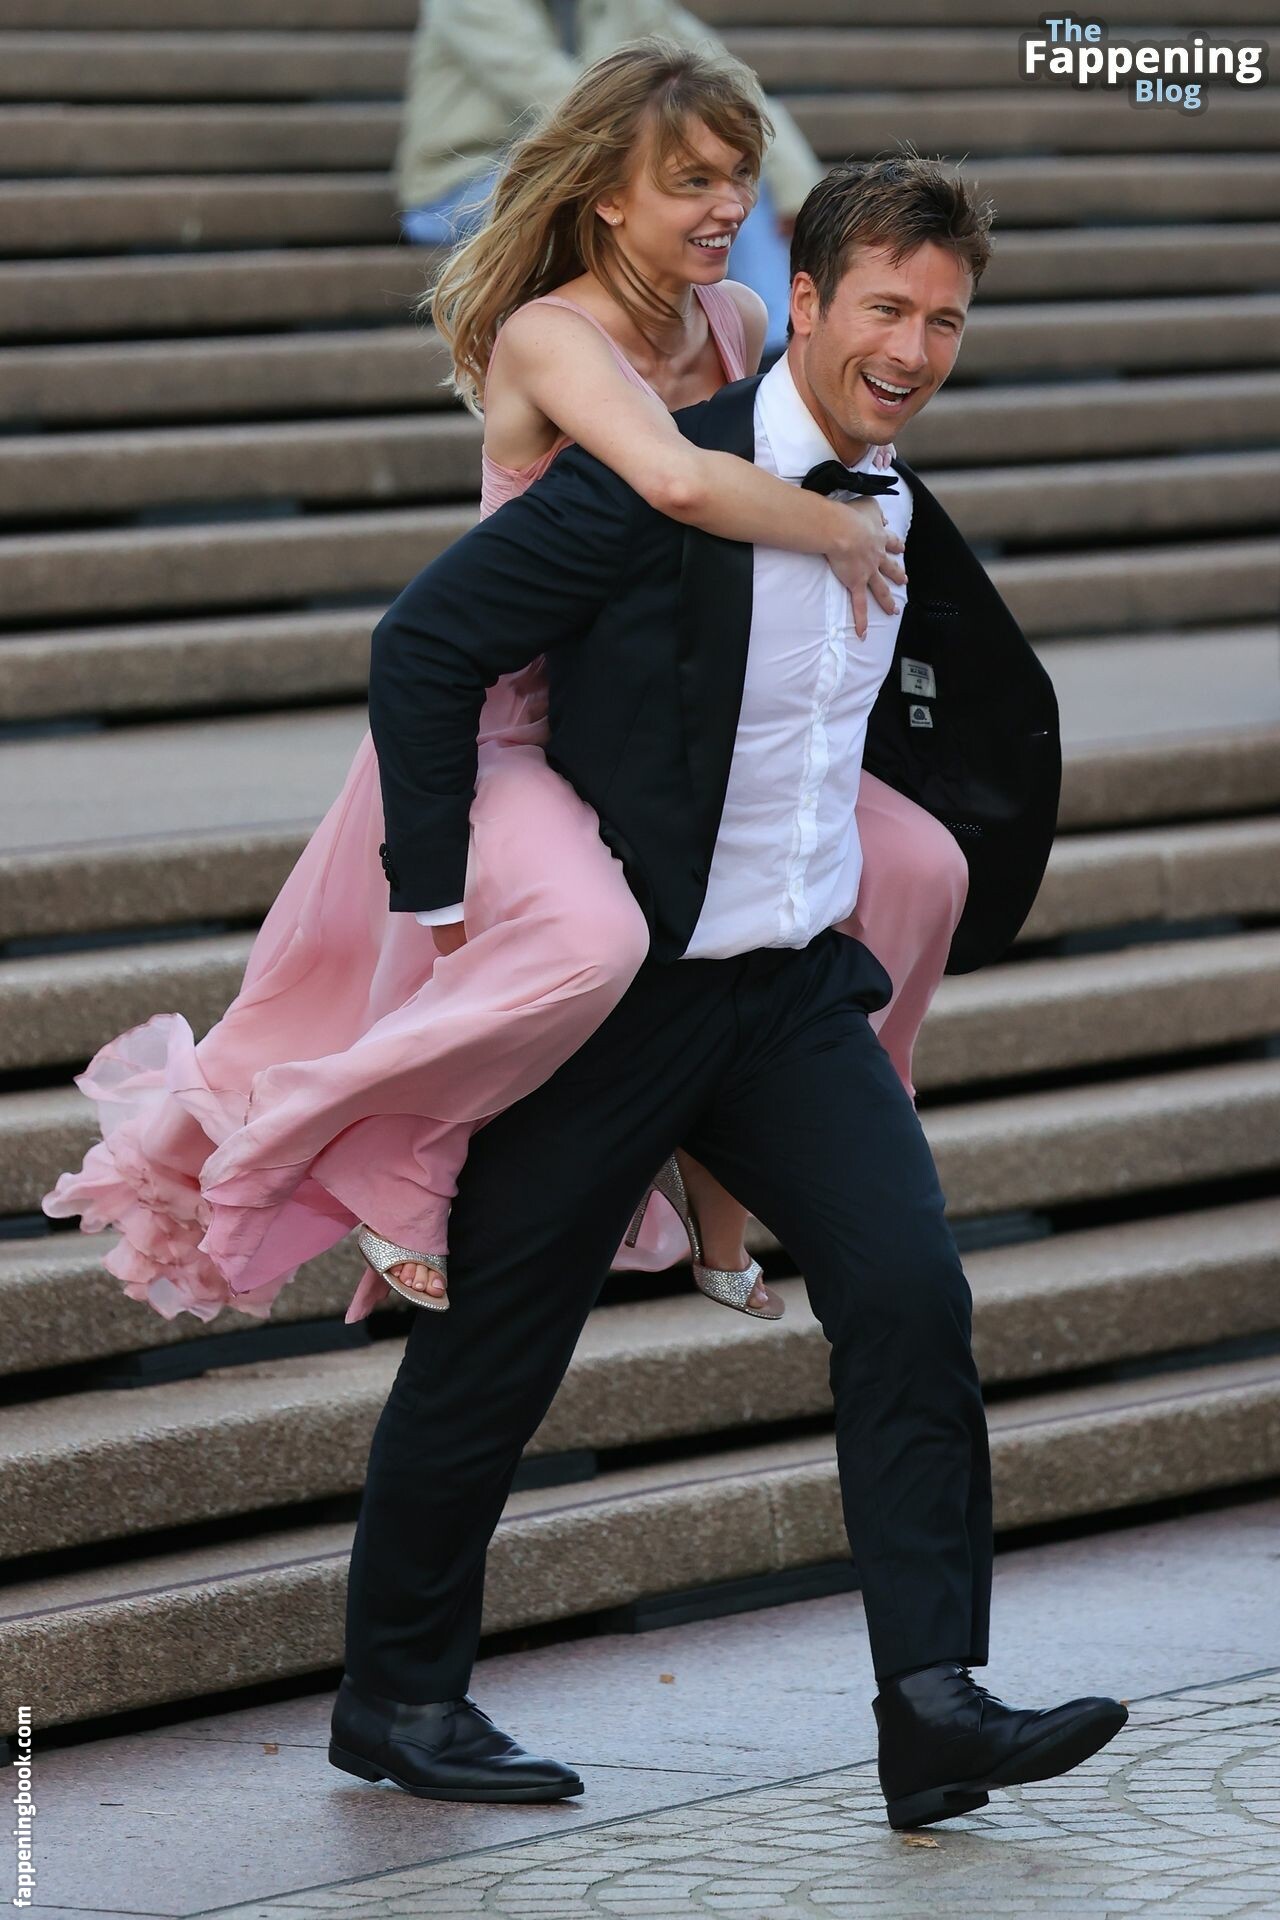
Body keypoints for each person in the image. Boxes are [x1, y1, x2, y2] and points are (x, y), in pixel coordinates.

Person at [328, 153, 1129, 1831]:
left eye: (946, 322)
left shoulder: (894, 502)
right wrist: (439, 895)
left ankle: (933, 1706)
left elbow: (956, 707)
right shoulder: (655, 479)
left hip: (790, 999)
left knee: (910, 1296)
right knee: (497, 1347)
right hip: (628, 1000)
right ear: (806, 301)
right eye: (886, 309)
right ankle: (399, 1698)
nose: (912, 350)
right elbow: (425, 645)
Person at [42, 44, 961, 1336]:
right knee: (595, 940)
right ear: (608, 195)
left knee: (918, 867)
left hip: (661, 714)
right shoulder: (549, 335)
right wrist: (843, 531)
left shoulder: (736, 322)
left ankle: (789, 1148)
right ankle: (373, 1149)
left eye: (739, 178)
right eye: (691, 180)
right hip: (503, 727)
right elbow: (678, 482)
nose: (726, 207)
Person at [395, 0, 821, 353]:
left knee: (727, 179)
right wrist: (672, 143)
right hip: (469, 175)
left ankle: (778, 353)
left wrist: (798, 185)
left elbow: (722, 81)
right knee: (684, 182)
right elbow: (560, 97)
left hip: (614, 154)